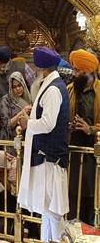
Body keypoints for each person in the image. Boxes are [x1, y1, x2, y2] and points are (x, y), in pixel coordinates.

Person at [18, 46, 70, 242]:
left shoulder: (53, 89)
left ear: (41, 67)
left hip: (49, 158)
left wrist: (27, 123)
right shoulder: (50, 85)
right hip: (47, 157)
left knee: (54, 212)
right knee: (48, 210)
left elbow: (48, 124)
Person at [67, 49, 100, 225]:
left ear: (87, 72)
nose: (74, 74)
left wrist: (90, 129)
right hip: (73, 152)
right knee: (73, 193)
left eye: (77, 70)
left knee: (91, 194)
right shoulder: (70, 90)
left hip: (93, 154)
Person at [0, 45, 35, 134]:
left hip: (26, 116)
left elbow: (34, 88)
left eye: (1, 64)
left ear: (9, 60)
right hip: (5, 119)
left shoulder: (22, 67)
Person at [0, 71, 32, 146]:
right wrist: (22, 112)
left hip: (25, 139)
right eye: (14, 87)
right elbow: (6, 125)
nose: (17, 89)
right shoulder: (6, 100)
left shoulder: (29, 99)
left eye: (19, 85)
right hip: (10, 141)